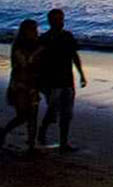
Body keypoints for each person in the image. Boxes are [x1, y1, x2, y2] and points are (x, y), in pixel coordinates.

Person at [37, 8, 87, 151]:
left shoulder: (68, 36)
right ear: (50, 21)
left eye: (61, 19)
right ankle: (43, 130)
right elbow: (38, 61)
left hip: (67, 80)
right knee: (53, 112)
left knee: (67, 113)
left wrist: (81, 74)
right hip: (51, 82)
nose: (60, 22)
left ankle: (63, 142)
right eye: (57, 19)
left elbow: (74, 56)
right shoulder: (44, 39)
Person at [0, 19, 43, 151]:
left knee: (33, 115)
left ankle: (32, 145)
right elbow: (25, 63)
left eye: (35, 29)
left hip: (32, 84)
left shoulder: (37, 44)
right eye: (32, 29)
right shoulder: (18, 46)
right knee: (23, 115)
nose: (35, 32)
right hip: (19, 85)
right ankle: (4, 132)